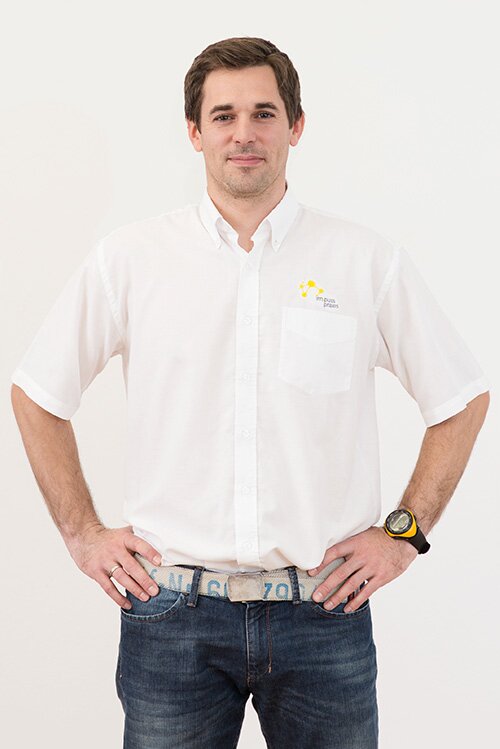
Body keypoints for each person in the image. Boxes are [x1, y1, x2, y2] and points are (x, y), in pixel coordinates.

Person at [10, 36, 490, 749]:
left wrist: (402, 536)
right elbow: (37, 392)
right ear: (194, 131)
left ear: (296, 127)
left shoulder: (365, 262)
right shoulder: (131, 261)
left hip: (324, 613)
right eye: (224, 115)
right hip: (170, 616)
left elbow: (461, 398)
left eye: (264, 113)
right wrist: (83, 534)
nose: (244, 133)